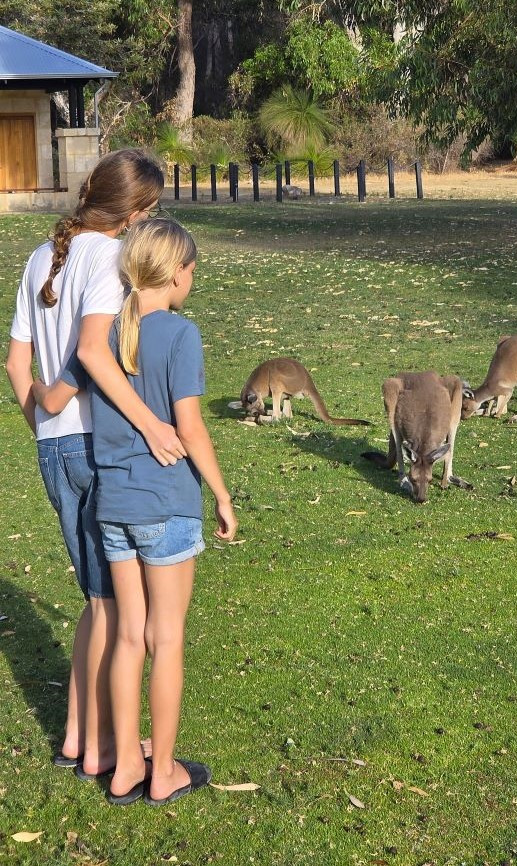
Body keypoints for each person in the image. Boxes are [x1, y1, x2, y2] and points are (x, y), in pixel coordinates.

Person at [34, 218, 237, 806]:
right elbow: (191, 428)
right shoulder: (180, 334)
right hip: (166, 504)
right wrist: (222, 495)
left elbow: (52, 399)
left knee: (129, 636)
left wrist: (25, 373)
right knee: (166, 638)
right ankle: (165, 770)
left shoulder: (103, 334)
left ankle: (125, 767)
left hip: (112, 507)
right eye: (193, 271)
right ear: (178, 273)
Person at [6, 149, 185, 782]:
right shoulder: (108, 260)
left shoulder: (39, 258)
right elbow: (91, 351)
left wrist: (44, 424)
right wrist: (151, 422)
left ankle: (82, 739)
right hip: (96, 446)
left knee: (96, 601)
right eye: (151, 211)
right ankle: (110, 750)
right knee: (113, 607)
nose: (150, 221)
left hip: (54, 447)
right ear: (135, 211)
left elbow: (14, 366)